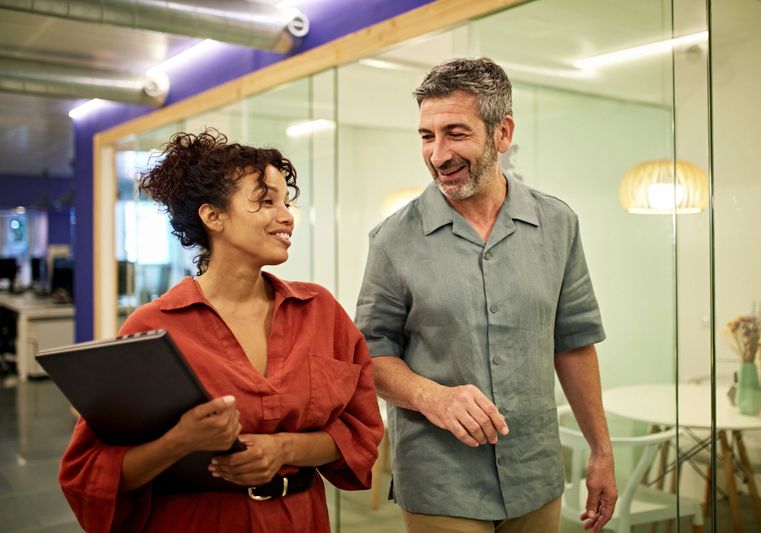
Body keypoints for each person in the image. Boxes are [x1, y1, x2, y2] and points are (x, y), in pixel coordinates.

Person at [59, 130, 383, 533]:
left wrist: (284, 447)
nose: (286, 216)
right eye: (266, 202)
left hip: (300, 517)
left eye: (286, 202)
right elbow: (92, 471)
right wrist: (180, 440)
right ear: (213, 217)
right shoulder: (153, 326)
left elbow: (361, 430)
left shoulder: (320, 312)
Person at [355, 57, 617, 533]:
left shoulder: (558, 225)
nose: (437, 155)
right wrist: (431, 396)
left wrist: (601, 450)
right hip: (440, 478)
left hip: (535, 471)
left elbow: (575, 342)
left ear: (502, 133)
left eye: (455, 133)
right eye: (426, 136)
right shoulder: (393, 240)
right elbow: (369, 355)